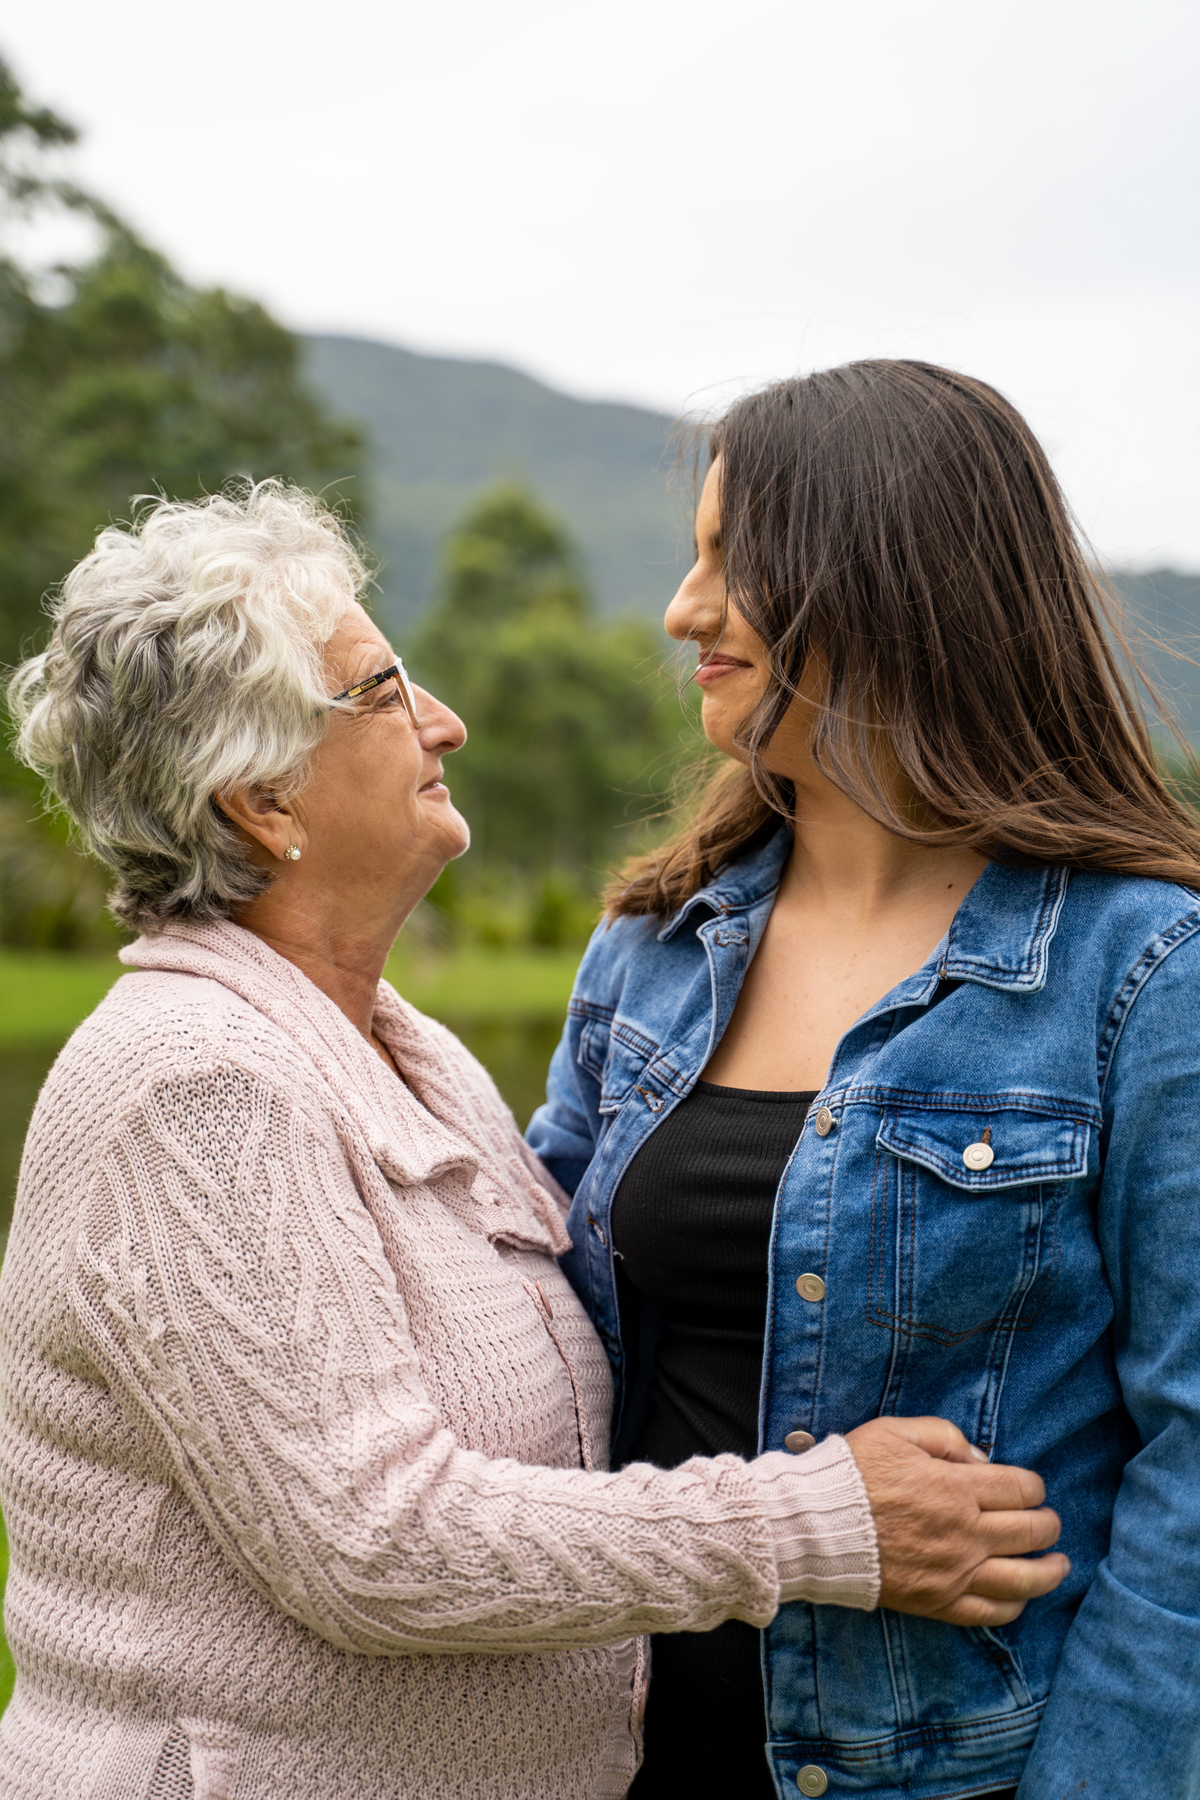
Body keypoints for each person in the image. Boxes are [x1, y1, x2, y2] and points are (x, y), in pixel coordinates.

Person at [0, 482, 1061, 1800]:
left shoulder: (413, 1056)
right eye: (384, 695)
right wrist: (827, 1518)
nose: (442, 721)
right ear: (261, 801)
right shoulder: (198, 1087)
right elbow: (381, 1545)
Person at [528, 359, 1200, 1800]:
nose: (682, 610)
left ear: (886, 583)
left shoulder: (1142, 971)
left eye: (730, 564)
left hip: (950, 1771)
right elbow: (532, 1328)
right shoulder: (652, 946)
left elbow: (1195, 1474)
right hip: (601, 1750)